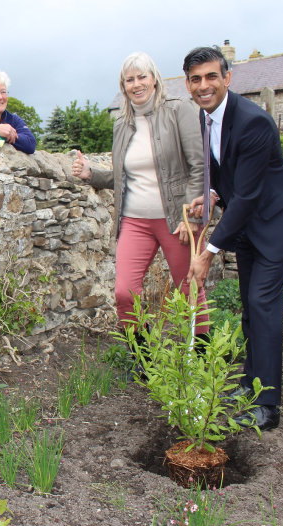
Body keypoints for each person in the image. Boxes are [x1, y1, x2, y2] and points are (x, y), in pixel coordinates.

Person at [183, 46, 283, 431]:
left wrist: (209, 252)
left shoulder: (253, 122)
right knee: (249, 306)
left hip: (275, 222)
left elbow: (246, 195)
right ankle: (250, 384)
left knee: (263, 304)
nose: (204, 85)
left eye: (211, 76)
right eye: (196, 79)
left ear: (227, 78)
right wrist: (212, 195)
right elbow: (224, 170)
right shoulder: (206, 115)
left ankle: (267, 405)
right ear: (188, 85)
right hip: (247, 224)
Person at [71, 52, 209, 358]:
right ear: (123, 86)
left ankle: (202, 357)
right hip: (134, 220)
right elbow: (124, 176)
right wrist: (91, 174)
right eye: (130, 79)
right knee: (124, 293)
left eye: (142, 77)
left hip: (176, 219)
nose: (137, 84)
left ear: (154, 79)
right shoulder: (122, 124)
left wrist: (192, 216)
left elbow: (199, 166)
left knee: (189, 290)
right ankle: (144, 358)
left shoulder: (179, 110)